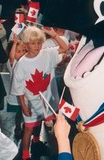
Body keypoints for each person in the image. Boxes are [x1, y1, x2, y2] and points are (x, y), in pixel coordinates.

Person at [11, 25, 68, 160]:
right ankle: (25, 154)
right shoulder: (22, 64)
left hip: (49, 100)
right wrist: (23, 106)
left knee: (41, 122)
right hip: (31, 103)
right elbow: (19, 89)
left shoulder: (47, 54)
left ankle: (37, 141)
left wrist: (54, 35)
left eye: (39, 43)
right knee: (29, 128)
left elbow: (65, 48)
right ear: (26, 44)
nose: (37, 46)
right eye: (33, 43)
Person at [6, 33, 26, 140]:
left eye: (23, 51)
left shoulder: (26, 61)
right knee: (19, 113)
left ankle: (23, 127)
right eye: (19, 51)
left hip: (25, 93)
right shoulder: (13, 63)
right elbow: (12, 57)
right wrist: (14, 43)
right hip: (16, 95)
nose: (22, 53)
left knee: (25, 113)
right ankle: (18, 128)